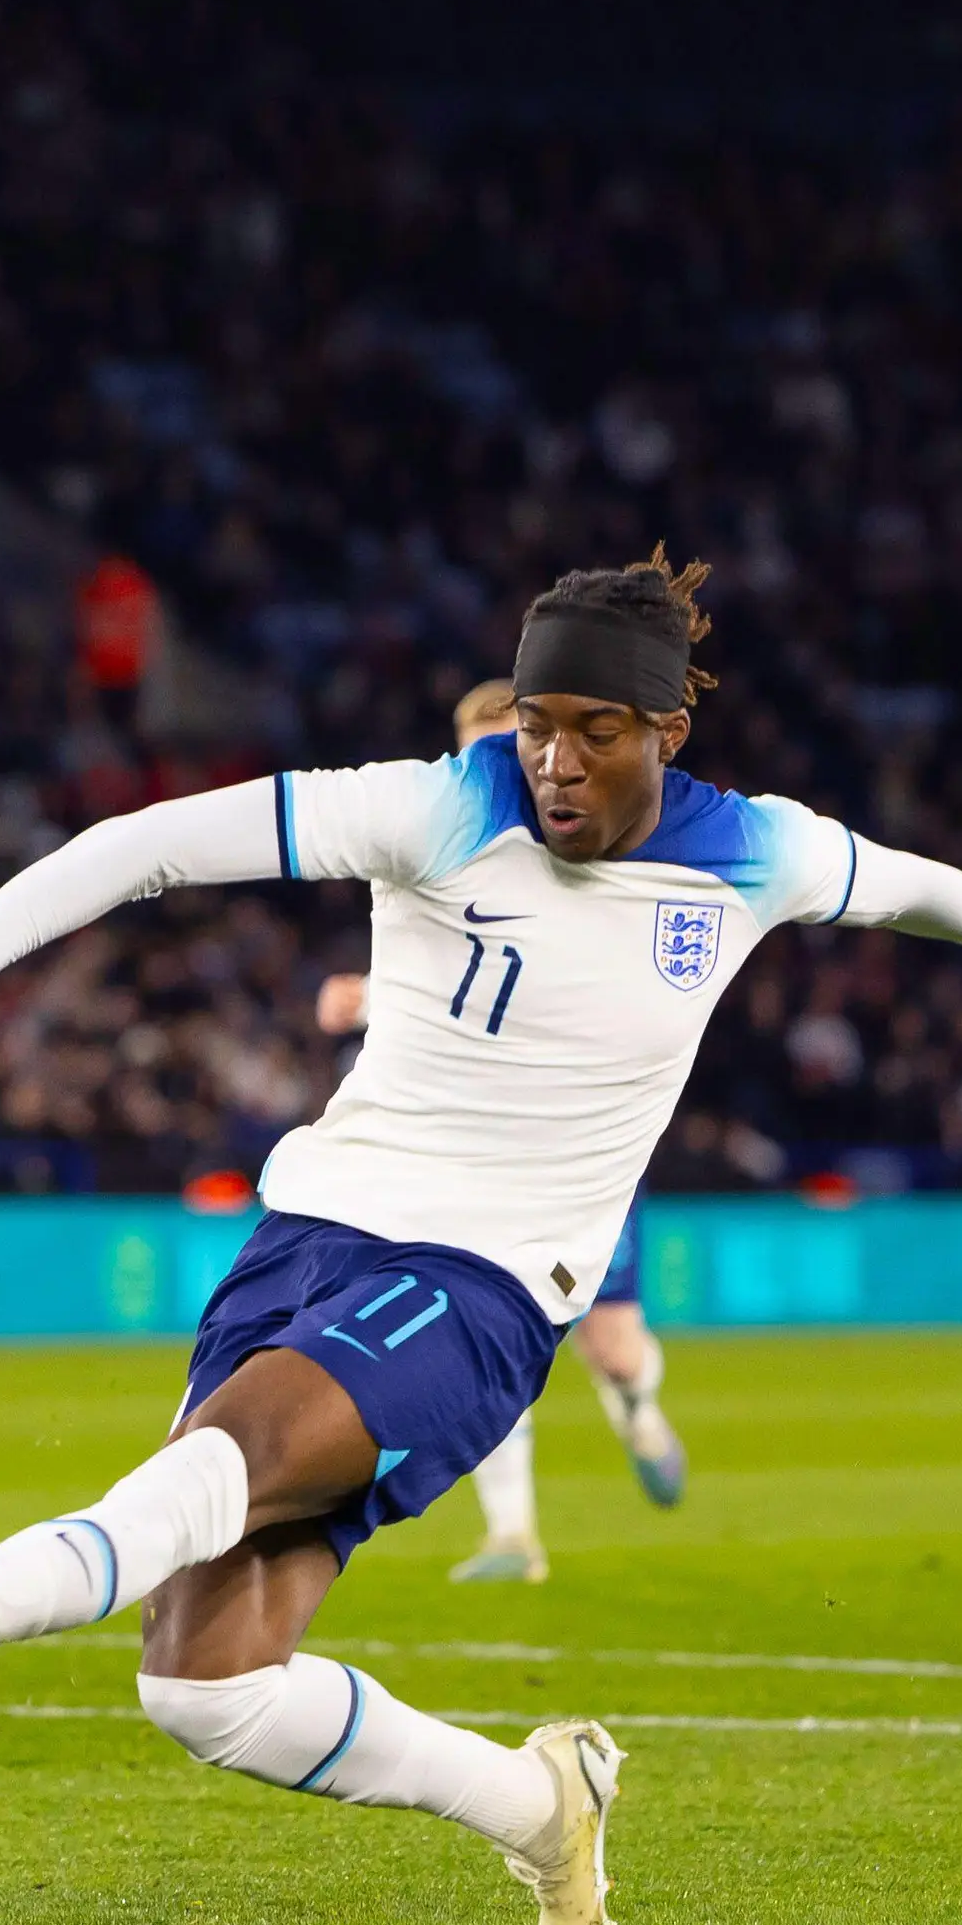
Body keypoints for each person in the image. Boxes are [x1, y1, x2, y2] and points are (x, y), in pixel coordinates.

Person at [0, 552, 962, 1925]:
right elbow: (147, 844)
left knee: (210, 1471)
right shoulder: (437, 802)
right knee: (205, 1688)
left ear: (669, 732)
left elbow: (920, 893)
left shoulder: (759, 852)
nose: (554, 760)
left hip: (484, 1290)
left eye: (595, 729)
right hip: (309, 1239)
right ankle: (539, 1804)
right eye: (535, 725)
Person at [313, 678, 687, 1588]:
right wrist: (362, 996)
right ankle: (514, 1534)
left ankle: (637, 1403)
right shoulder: (434, 844)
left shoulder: (589, 859)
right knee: (475, 1325)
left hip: (575, 1150)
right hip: (467, 1158)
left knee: (612, 1342)